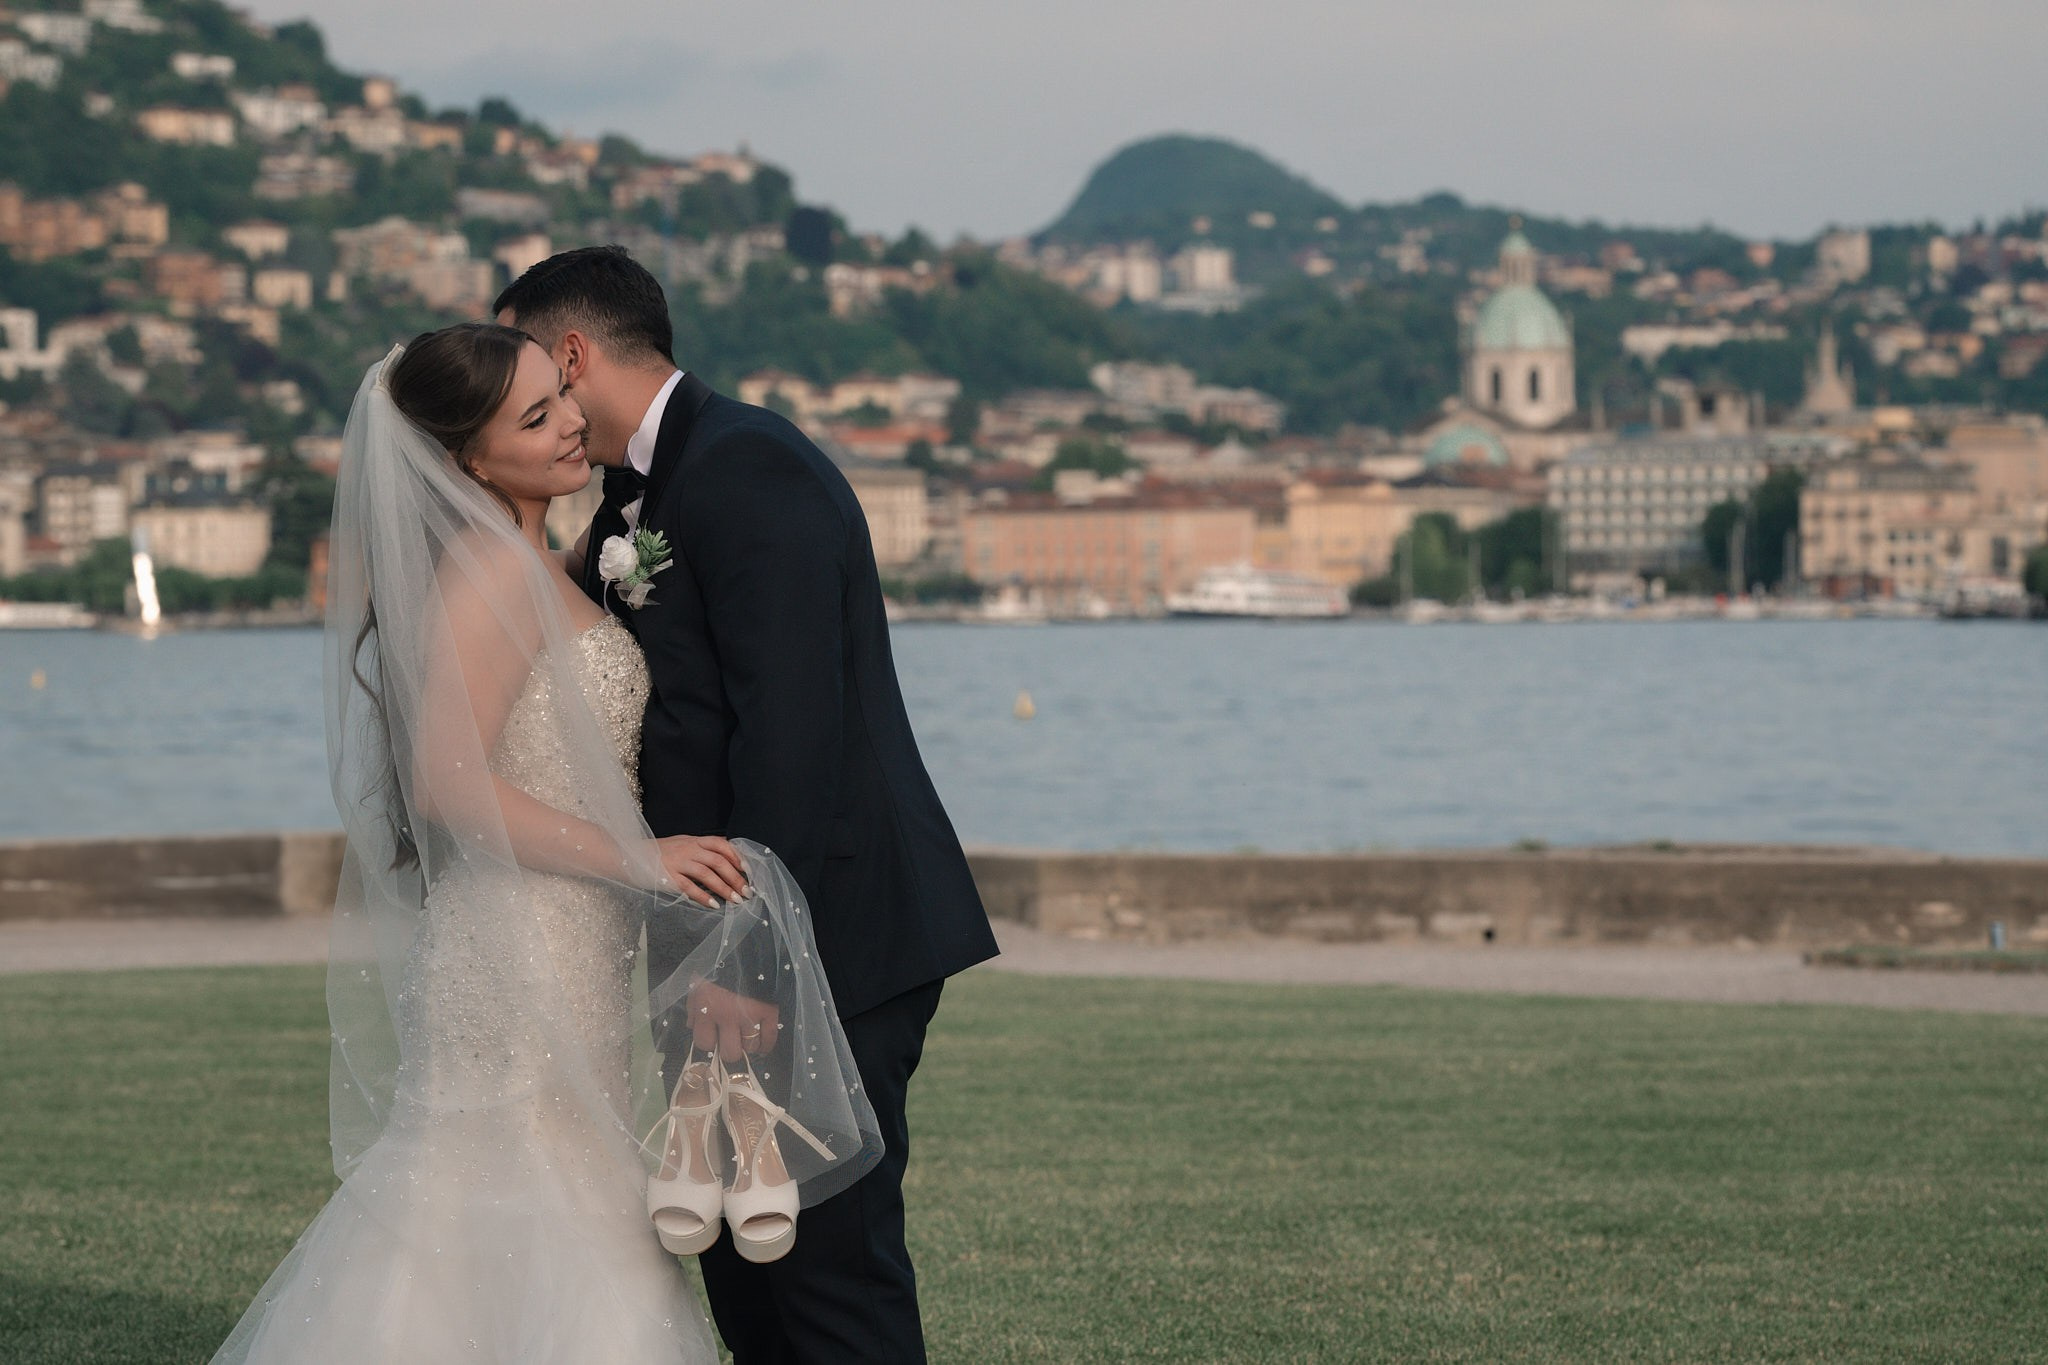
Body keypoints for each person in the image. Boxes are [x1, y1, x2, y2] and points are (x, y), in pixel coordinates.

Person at [210, 324, 878, 1364]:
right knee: (514, 1199)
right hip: (516, 944)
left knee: (555, 1198)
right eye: (535, 417)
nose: (571, 421)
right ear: (471, 461)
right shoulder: (487, 573)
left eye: (560, 395)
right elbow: (444, 784)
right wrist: (640, 857)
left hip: (570, 941)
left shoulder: (545, 563)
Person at [496, 246, 998, 1363]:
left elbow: (792, 736)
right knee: (744, 1269)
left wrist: (749, 966)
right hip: (720, 936)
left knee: (827, 1270)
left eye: (521, 366)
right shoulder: (640, 493)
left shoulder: (746, 465)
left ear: (570, 355)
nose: (514, 392)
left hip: (821, 937)